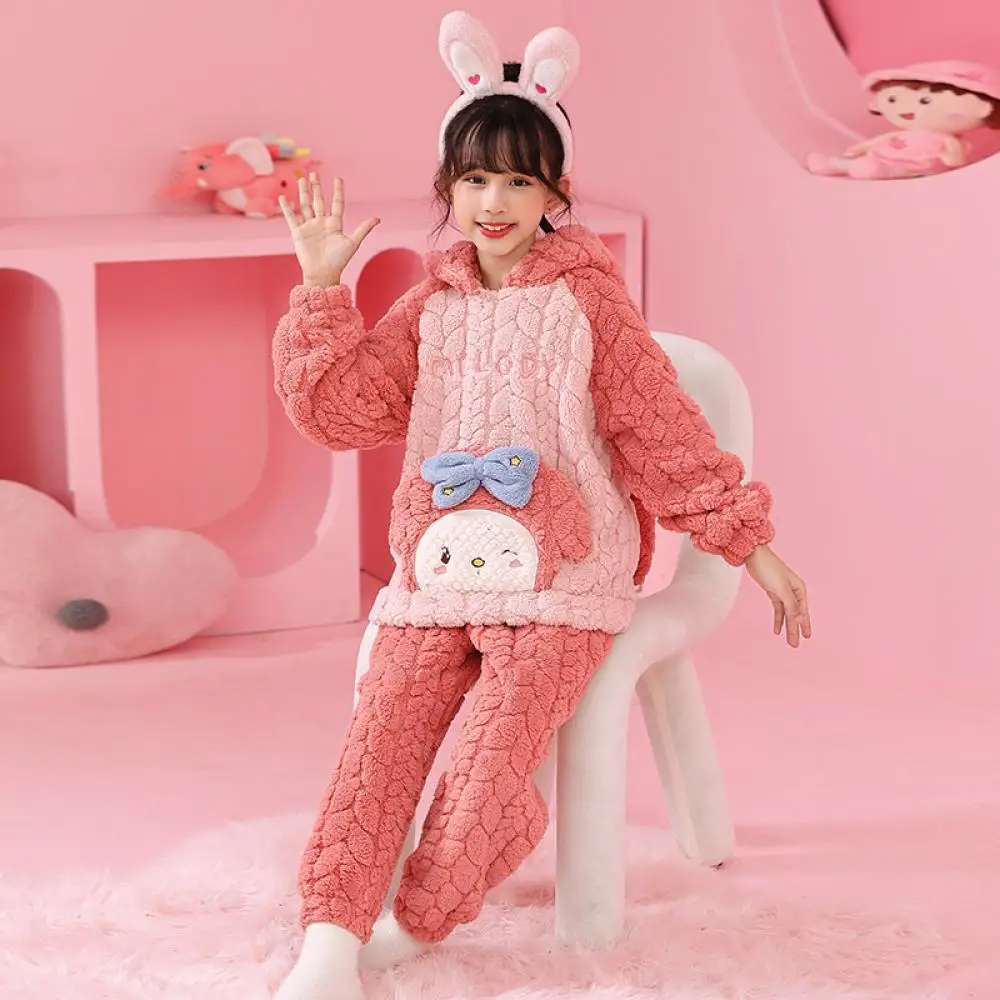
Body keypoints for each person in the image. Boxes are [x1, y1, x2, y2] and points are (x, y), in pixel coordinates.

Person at [269, 11, 811, 999]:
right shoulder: (428, 306)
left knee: (490, 765)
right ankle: (329, 938)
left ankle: (418, 918)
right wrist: (319, 290)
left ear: (556, 192)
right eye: (477, 179)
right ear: (448, 187)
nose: (495, 202)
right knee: (377, 741)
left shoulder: (590, 300)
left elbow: (661, 432)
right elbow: (340, 411)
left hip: (563, 582)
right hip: (438, 574)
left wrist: (750, 546)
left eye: (520, 181)